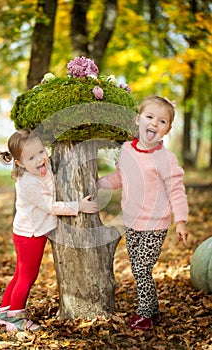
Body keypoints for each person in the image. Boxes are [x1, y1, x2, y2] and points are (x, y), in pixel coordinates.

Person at [98, 96, 189, 331]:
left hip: (155, 224)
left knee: (141, 268)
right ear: (138, 119)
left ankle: (145, 315)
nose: (154, 124)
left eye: (162, 121)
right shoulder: (127, 149)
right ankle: (154, 311)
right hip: (132, 221)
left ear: (167, 129)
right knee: (139, 266)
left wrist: (181, 221)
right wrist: (100, 183)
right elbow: (120, 178)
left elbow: (176, 191)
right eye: (149, 117)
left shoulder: (166, 159)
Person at [0, 129, 98, 332]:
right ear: (20, 163)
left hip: (30, 231)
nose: (41, 159)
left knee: (19, 274)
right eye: (32, 157)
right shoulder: (27, 183)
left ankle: (3, 312)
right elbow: (50, 206)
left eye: (42, 152)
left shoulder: (42, 166)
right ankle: (16, 318)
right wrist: (78, 206)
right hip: (30, 235)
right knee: (27, 277)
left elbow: (51, 178)